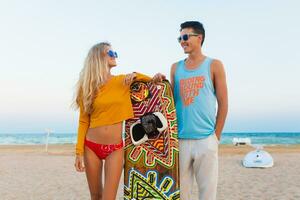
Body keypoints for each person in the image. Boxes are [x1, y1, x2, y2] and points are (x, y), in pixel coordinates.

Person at [153, 21, 228, 200]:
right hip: (180, 140)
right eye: (180, 38)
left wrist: (215, 136)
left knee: (207, 194)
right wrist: (159, 84)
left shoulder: (214, 65)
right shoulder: (175, 68)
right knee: (180, 194)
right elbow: (169, 102)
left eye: (185, 37)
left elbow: (223, 103)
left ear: (199, 38)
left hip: (206, 139)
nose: (182, 41)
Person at [73, 42, 151, 200]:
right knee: (95, 196)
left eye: (115, 53)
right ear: (98, 57)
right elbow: (83, 121)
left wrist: (135, 75)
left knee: (109, 197)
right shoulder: (87, 87)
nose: (115, 56)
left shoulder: (123, 81)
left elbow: (151, 82)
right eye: (110, 53)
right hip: (91, 147)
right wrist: (79, 152)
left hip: (115, 148)